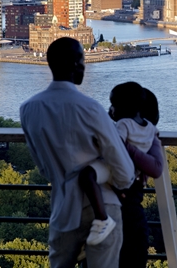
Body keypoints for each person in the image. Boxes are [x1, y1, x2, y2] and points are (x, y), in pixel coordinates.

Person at [19, 37, 135, 268]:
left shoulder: (29, 109)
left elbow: (43, 167)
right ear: (75, 64)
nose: (84, 66)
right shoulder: (90, 108)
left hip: (62, 206)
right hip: (103, 204)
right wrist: (113, 179)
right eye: (83, 60)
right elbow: (123, 169)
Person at [77, 82, 157, 245]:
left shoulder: (123, 124)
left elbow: (114, 144)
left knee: (87, 175)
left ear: (125, 107)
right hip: (134, 175)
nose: (111, 108)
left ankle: (100, 220)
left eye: (114, 104)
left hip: (116, 168)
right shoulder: (150, 128)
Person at [118, 87, 164, 268]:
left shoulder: (116, 133)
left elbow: (156, 168)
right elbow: (156, 168)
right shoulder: (148, 135)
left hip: (108, 211)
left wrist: (125, 146)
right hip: (130, 210)